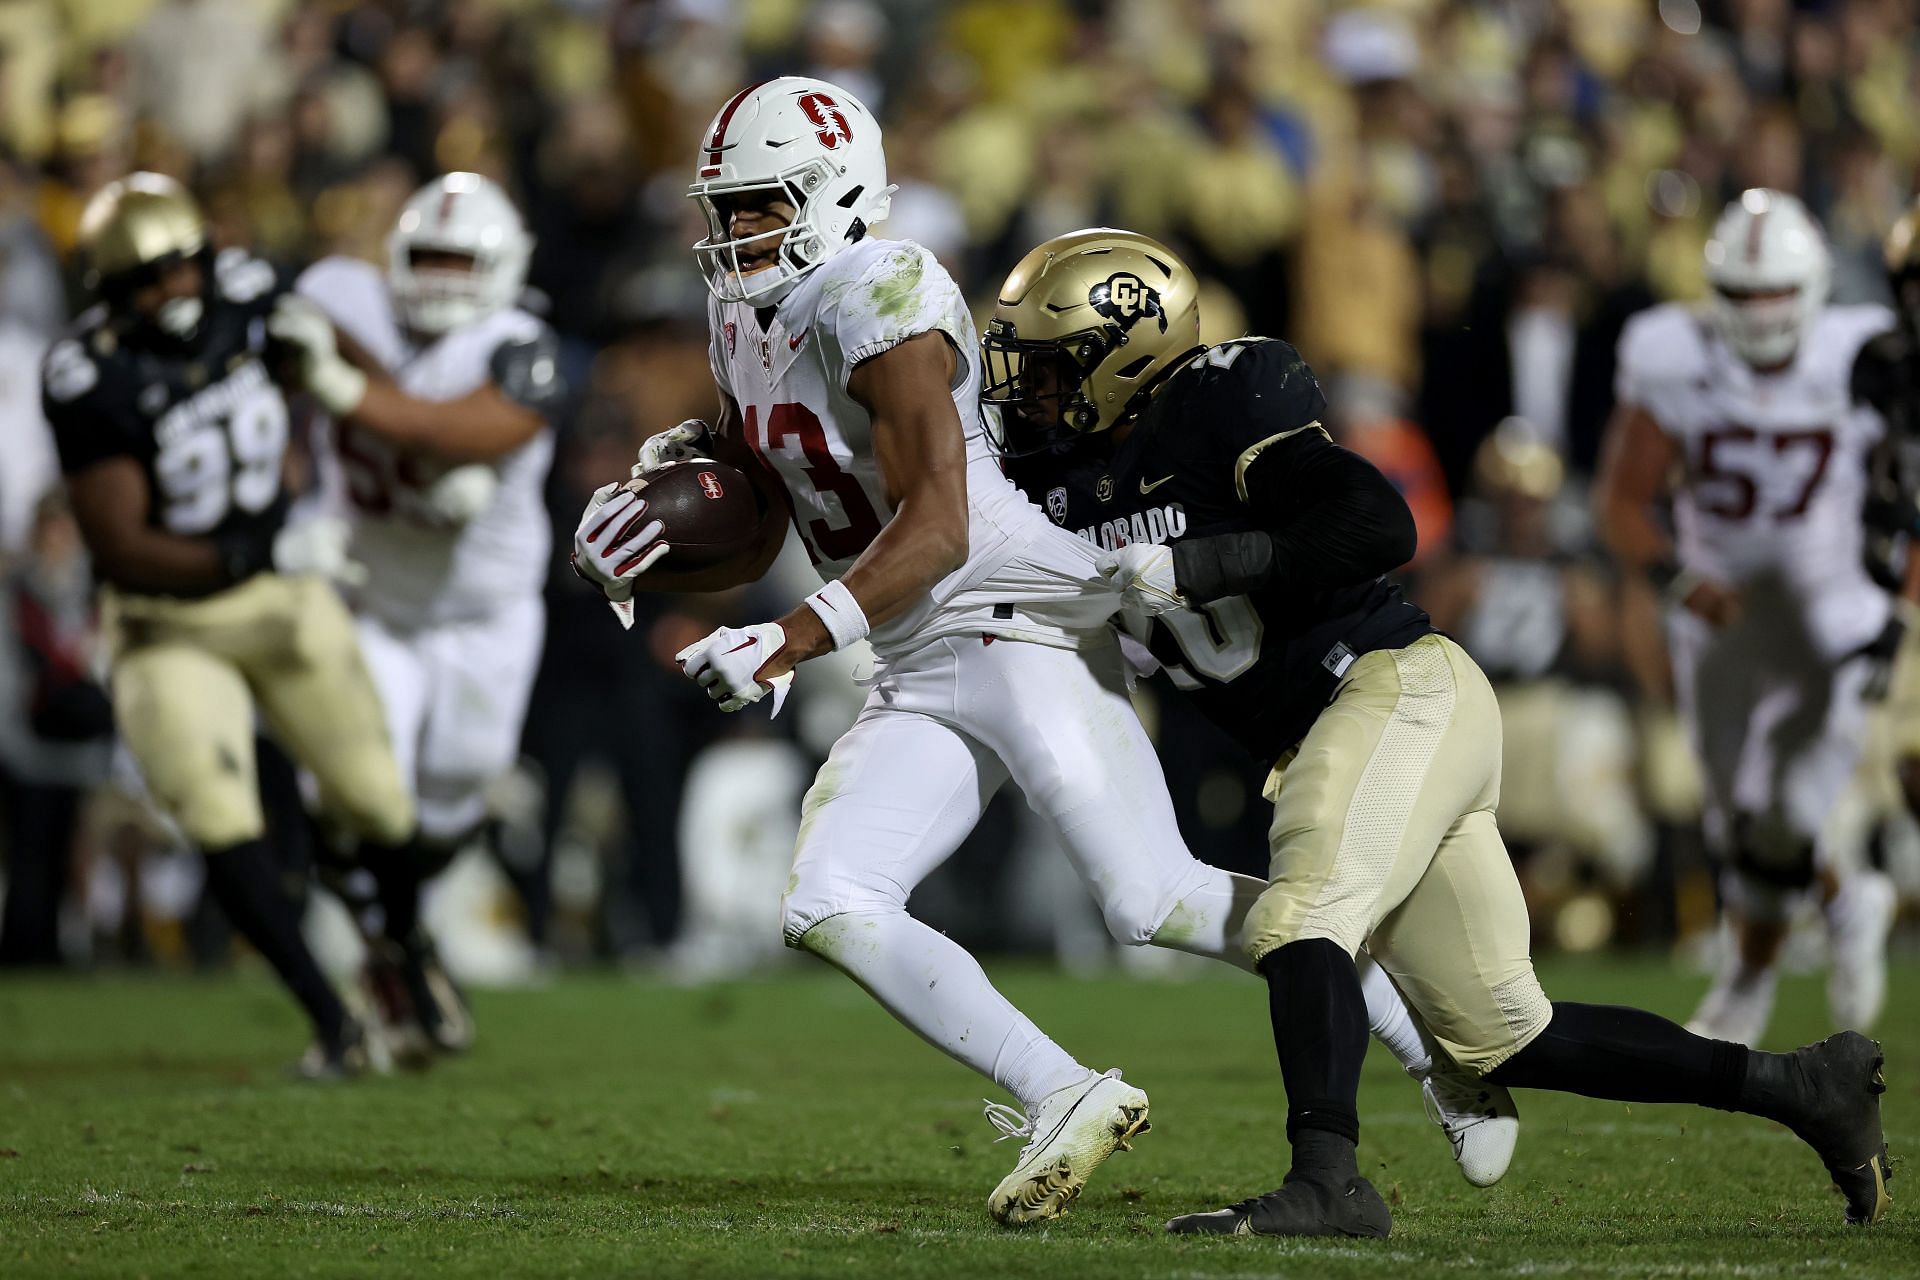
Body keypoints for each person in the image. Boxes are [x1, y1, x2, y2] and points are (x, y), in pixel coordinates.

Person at [567, 78, 1489, 1224]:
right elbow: (776, 504)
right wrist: (660, 530)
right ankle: (1064, 1089)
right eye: (727, 209)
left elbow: (941, 523)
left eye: (760, 205)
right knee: (829, 898)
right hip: (909, 647)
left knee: (1150, 897)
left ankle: (1424, 1038)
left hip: (1011, 615)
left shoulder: (882, 286)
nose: (735, 233)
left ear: (837, 193)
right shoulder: (742, 311)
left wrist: (790, 634)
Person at [984, 226, 1891, 1237]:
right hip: (1362, 728)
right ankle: (1804, 1084)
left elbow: (1380, 526)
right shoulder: (1054, 477)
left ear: (1129, 353)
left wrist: (1200, 564)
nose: (1032, 391)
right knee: (1508, 1033)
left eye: (1055, 366)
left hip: (1393, 686)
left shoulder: (1219, 400)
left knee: (1301, 913)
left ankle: (1329, 1178)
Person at [39, 173, 414, 1076]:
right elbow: (124, 547)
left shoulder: (250, 291)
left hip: (280, 598)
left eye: (183, 269)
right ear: (111, 290)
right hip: (169, 618)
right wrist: (259, 554)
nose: (174, 291)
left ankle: (406, 960)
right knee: (215, 813)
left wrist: (321, 369)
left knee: (378, 802)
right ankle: (333, 1020)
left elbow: (361, 378)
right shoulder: (89, 375)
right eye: (149, 279)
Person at [1596, 189, 1899, 1047]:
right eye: (1741, 293)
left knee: (1790, 814)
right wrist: (1681, 582)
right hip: (1717, 602)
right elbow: (1622, 502)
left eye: (1775, 293)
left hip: (1831, 602)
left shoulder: (1862, 351)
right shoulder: (1670, 354)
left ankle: (1745, 986)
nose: (1760, 313)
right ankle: (1847, 898)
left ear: (1813, 289)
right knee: (1735, 815)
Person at [280, 171, 564, 1059]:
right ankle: (386, 950)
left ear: (506, 266)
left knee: (457, 782)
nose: (442, 278)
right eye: (427, 258)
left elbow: (461, 432)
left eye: (461, 260)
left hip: (486, 613)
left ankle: (405, 933)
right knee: (360, 789)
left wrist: (340, 385)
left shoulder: (518, 342)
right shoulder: (341, 298)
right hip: (372, 598)